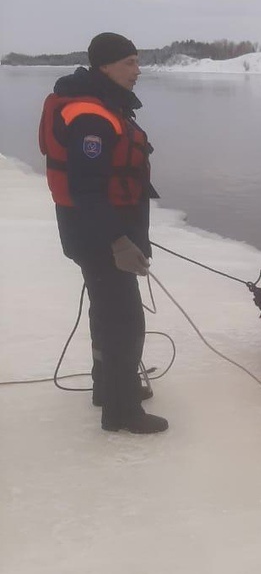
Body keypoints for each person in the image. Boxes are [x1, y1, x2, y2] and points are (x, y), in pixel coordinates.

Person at [39, 33, 168, 434]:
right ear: (105, 67)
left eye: (137, 61)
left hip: (99, 231)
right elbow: (87, 188)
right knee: (123, 320)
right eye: (129, 62)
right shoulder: (91, 115)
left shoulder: (102, 104)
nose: (137, 70)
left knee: (108, 311)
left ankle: (109, 388)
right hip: (99, 236)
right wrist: (118, 241)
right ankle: (121, 410)